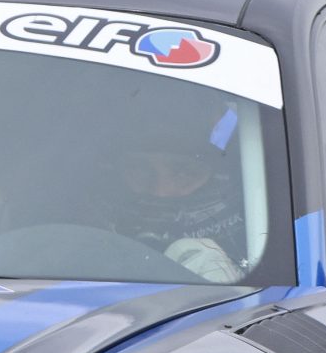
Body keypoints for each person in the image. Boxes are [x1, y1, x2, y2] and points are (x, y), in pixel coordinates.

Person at [105, 102, 247, 281]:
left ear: (219, 179)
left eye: (185, 173)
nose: (161, 191)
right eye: (139, 171)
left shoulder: (268, 250)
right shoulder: (79, 259)